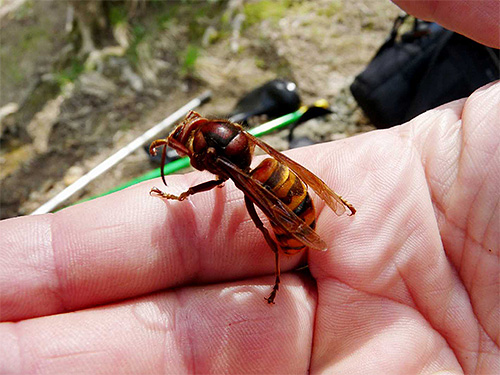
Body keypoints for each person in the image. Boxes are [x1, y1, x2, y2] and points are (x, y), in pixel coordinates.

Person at [0, 1, 498, 373]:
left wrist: (176, 190)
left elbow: (213, 176)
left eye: (193, 140)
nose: (189, 145)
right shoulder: (238, 145)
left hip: (280, 202)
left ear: (212, 146)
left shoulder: (226, 165)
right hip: (274, 174)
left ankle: (281, 268)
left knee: (263, 217)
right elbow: (217, 159)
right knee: (265, 192)